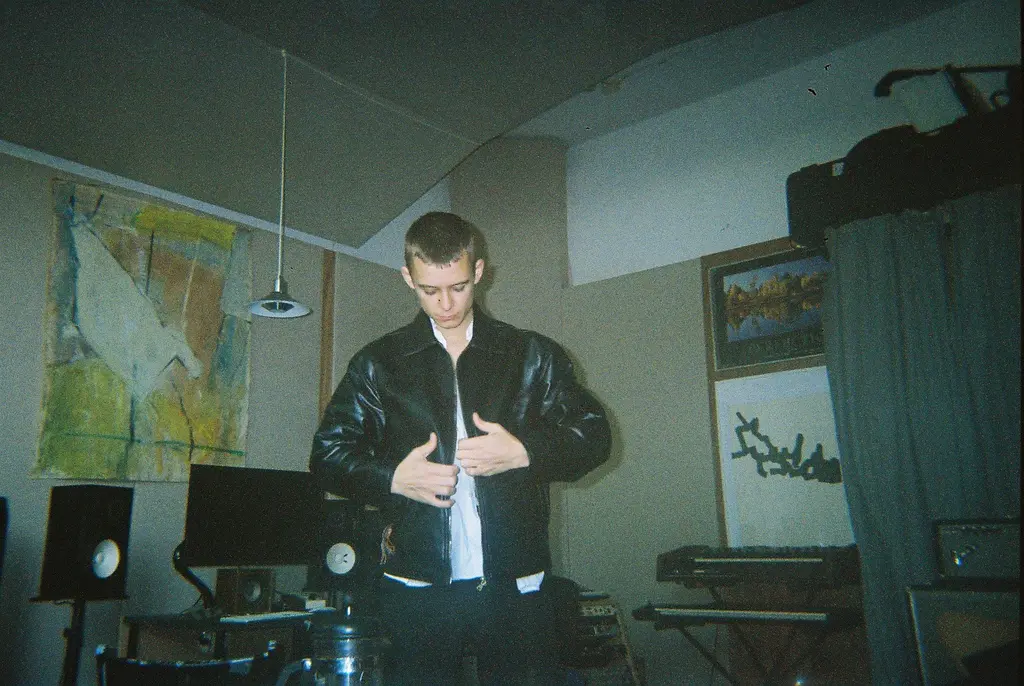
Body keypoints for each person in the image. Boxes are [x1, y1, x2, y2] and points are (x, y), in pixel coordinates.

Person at [310, 211, 611, 685]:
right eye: (429, 290)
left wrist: (525, 452)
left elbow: (594, 435)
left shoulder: (531, 355)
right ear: (407, 277)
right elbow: (327, 455)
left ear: (479, 271)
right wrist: (393, 478)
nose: (445, 303)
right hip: (416, 585)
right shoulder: (378, 363)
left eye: (458, 286)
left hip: (516, 584)